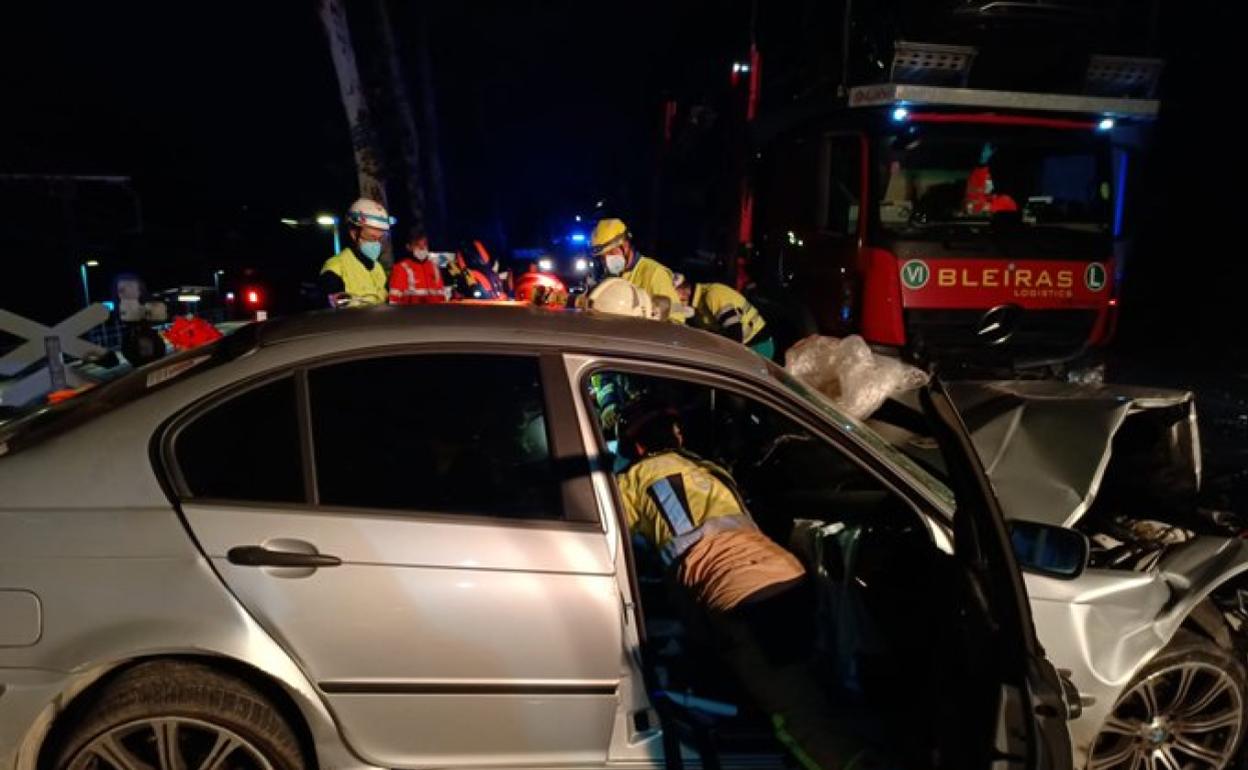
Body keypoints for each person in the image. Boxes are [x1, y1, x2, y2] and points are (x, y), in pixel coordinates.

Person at [614, 403, 875, 770]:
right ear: (677, 435)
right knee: (814, 690)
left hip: (745, 593)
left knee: (798, 717)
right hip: (787, 574)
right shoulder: (709, 470)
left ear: (637, 449)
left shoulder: (636, 478)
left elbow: (600, 525)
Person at [590, 218, 683, 323]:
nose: (606, 261)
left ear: (625, 246)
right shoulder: (608, 279)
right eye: (602, 257)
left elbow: (677, 316)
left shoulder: (654, 273)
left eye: (611, 252)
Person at [674, 273, 775, 361]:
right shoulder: (696, 305)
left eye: (673, 296)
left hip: (756, 345)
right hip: (745, 345)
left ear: (682, 292)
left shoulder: (713, 295)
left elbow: (735, 335)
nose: (674, 301)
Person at [320, 198, 391, 306]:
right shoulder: (336, 267)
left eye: (380, 239)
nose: (377, 244)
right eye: (372, 238)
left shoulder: (378, 268)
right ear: (354, 234)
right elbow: (332, 313)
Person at [389, 229, 449, 304]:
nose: (422, 248)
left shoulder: (434, 267)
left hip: (434, 314)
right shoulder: (401, 268)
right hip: (411, 314)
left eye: (425, 244)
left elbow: (442, 296)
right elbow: (394, 300)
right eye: (417, 245)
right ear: (409, 247)